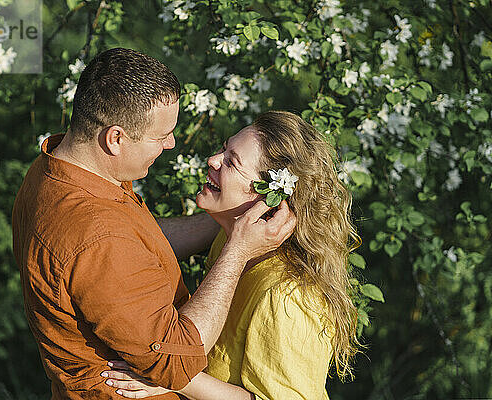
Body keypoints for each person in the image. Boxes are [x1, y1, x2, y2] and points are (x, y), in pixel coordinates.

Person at [12, 48, 296, 399]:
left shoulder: (62, 169)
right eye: (161, 136)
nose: (171, 143)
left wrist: (230, 222)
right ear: (114, 139)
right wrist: (237, 251)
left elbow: (135, 246)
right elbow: (178, 363)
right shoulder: (95, 232)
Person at [101, 111, 361, 400]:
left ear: (268, 198)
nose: (213, 160)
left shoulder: (289, 297)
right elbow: (142, 243)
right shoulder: (231, 236)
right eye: (224, 149)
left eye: (232, 162)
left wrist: (174, 377)